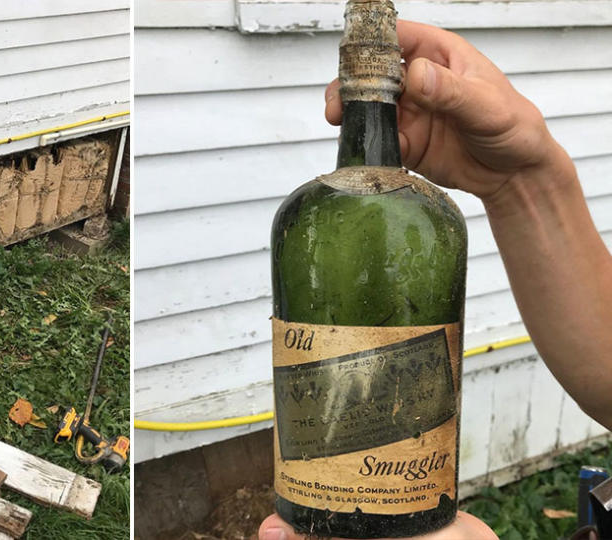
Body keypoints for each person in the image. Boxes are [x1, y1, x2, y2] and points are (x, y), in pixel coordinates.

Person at [258, 18, 612, 540]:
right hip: (323, 492)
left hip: (406, 490)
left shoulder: (426, 218)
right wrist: (519, 179)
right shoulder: (307, 214)